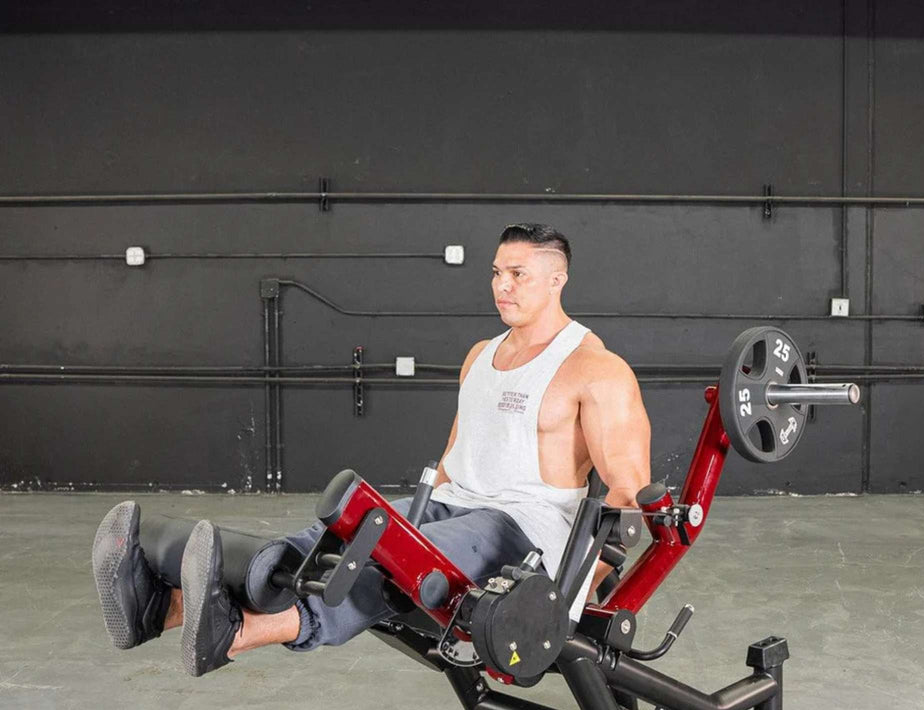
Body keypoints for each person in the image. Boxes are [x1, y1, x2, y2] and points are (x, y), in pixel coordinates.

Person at [92, 223, 652, 677]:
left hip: (521, 531)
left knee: (390, 562)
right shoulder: (481, 354)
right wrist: (417, 509)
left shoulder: (596, 369)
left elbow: (627, 500)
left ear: (558, 280)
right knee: (337, 537)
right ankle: (161, 609)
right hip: (452, 505)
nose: (502, 286)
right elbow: (460, 449)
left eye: (518, 275)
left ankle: (237, 633)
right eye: (497, 273)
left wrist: (573, 593)